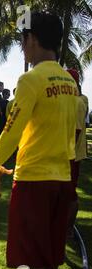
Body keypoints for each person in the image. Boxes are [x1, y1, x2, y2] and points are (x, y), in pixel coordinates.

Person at [0, 12, 77, 269]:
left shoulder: (30, 79)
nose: (22, 48)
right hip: (62, 178)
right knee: (49, 254)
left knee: (34, 256)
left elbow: (12, 130)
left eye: (23, 41)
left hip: (34, 180)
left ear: (33, 39)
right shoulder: (69, 82)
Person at [66, 69, 89, 238]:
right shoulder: (76, 100)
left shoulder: (76, 102)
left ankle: (68, 229)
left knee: (70, 193)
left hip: (70, 156)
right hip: (67, 155)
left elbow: (75, 131)